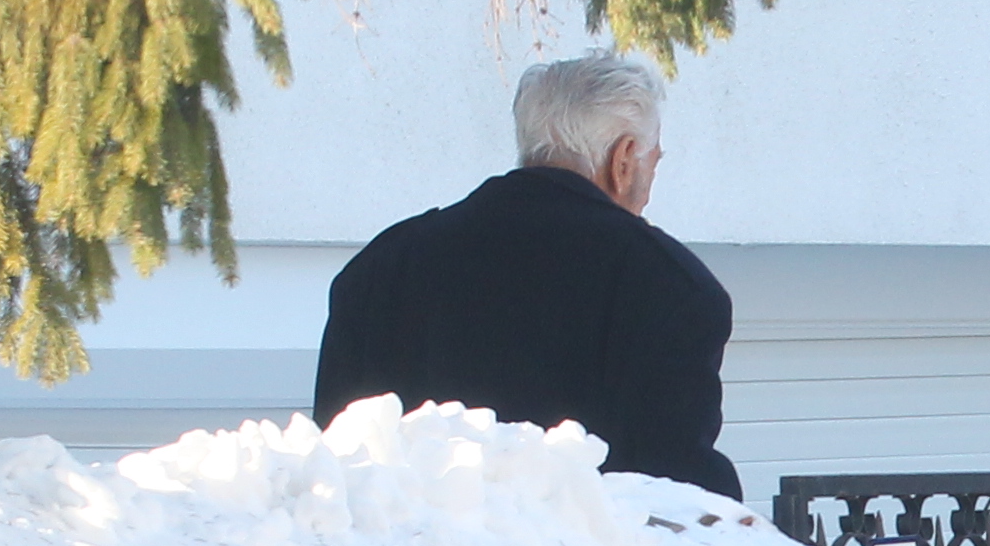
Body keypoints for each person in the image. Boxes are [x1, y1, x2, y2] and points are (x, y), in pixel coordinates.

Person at [313, 53, 744, 500]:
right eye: (654, 161)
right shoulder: (669, 288)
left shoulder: (382, 269)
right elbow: (680, 501)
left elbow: (336, 472)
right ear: (623, 160)